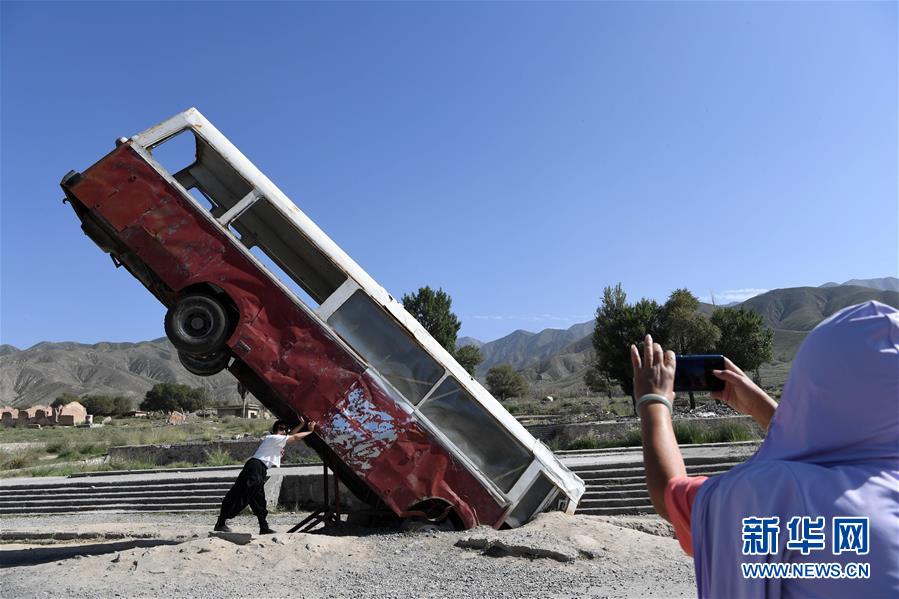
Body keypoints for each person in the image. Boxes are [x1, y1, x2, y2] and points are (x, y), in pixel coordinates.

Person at [631, 301, 898, 597]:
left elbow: (669, 494)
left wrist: (653, 401)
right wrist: (764, 409)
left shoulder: (774, 497)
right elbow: (834, 442)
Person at [214, 417, 316, 534]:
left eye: (284, 430)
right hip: (254, 467)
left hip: (260, 470)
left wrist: (301, 424)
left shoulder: (278, 440)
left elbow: (291, 435)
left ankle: (264, 527)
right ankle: (220, 523)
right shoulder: (272, 438)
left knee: (259, 499)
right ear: (276, 430)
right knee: (240, 494)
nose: (282, 431)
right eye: (281, 429)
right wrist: (310, 431)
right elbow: (295, 437)